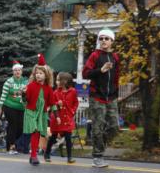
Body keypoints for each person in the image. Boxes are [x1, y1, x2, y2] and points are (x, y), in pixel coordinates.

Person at [83, 28, 120, 168]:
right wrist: (101, 70)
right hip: (97, 96)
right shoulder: (95, 55)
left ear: (112, 41)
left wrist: (116, 94)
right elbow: (85, 73)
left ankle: (100, 145)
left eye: (106, 38)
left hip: (111, 97)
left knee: (114, 126)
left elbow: (116, 77)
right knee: (97, 127)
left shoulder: (115, 57)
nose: (103, 41)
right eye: (101, 38)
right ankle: (98, 157)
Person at [23, 54, 61, 166]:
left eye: (41, 73)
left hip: (41, 114)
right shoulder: (30, 86)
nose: (38, 75)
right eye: (37, 73)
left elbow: (53, 103)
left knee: (38, 134)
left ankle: (32, 155)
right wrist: (24, 95)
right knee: (34, 132)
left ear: (46, 75)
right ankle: (34, 155)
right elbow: (26, 101)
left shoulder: (48, 88)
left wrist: (57, 115)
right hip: (31, 112)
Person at [44, 72, 79, 163]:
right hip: (57, 118)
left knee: (68, 137)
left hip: (67, 118)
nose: (57, 82)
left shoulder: (73, 91)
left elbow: (76, 103)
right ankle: (47, 153)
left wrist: (72, 112)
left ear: (65, 81)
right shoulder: (55, 92)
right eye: (57, 80)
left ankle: (69, 157)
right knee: (53, 137)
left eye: (59, 80)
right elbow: (52, 104)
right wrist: (57, 105)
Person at [0, 61, 28, 154]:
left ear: (22, 71)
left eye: (19, 70)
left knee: (21, 127)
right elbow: (3, 95)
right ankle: (12, 146)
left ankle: (11, 142)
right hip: (9, 106)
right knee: (13, 125)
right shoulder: (9, 82)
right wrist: (0, 107)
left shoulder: (26, 81)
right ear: (13, 72)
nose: (17, 72)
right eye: (15, 70)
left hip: (22, 107)